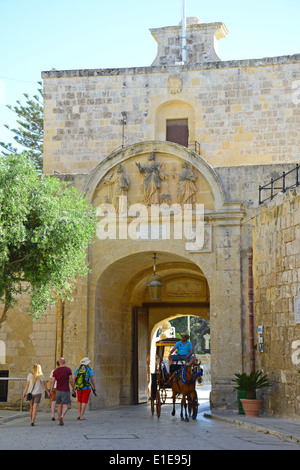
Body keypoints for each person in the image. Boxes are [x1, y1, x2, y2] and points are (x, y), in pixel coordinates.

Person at [50, 357, 75, 426]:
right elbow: (71, 380)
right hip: (65, 389)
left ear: (59, 362)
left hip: (58, 390)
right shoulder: (68, 370)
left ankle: (59, 419)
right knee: (65, 406)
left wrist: (51, 389)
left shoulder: (56, 371)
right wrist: (73, 387)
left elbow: (52, 381)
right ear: (64, 362)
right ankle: (62, 416)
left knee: (59, 405)